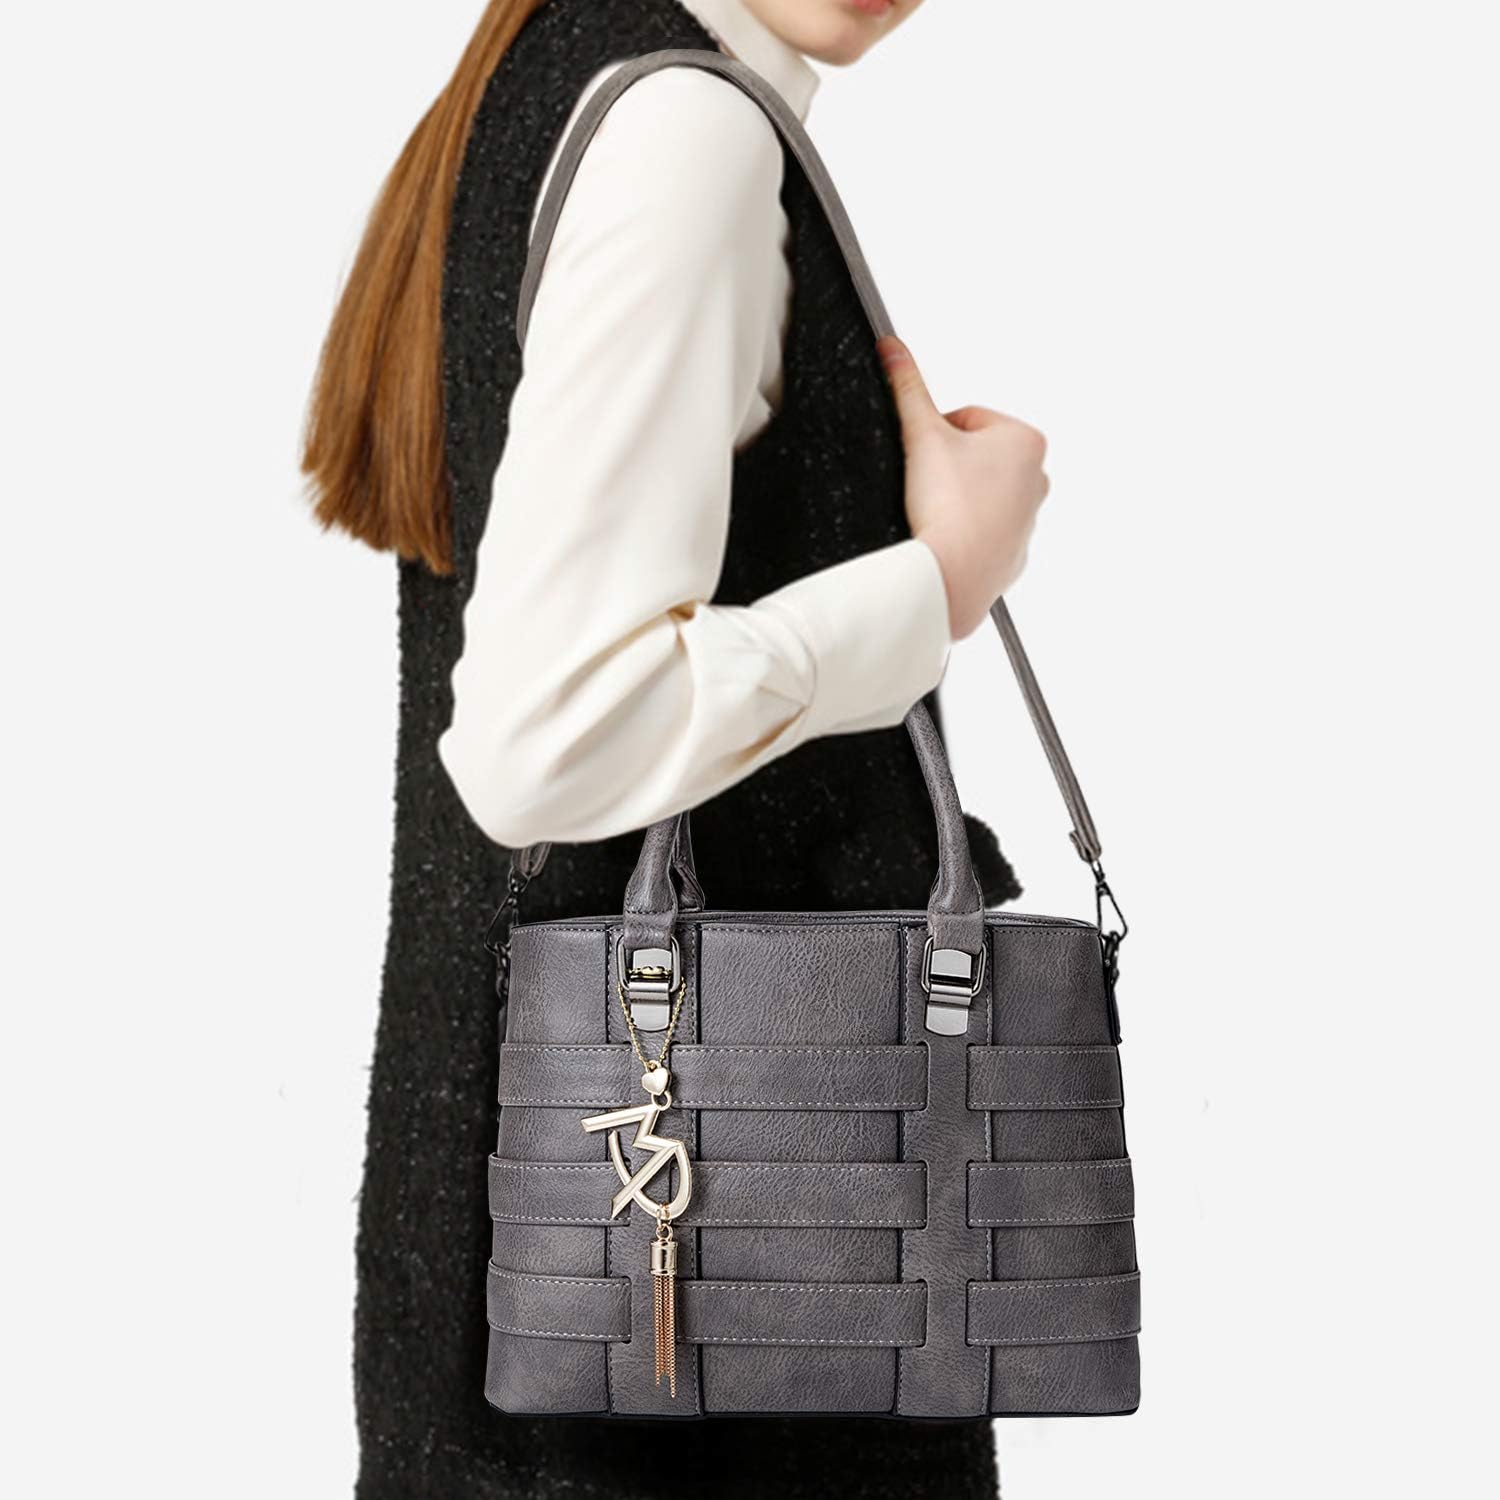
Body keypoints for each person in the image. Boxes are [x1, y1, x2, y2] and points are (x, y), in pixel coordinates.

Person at [301, 2, 1050, 1496]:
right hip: (693, 1297)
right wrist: (935, 585)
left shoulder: (555, 70)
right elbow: (541, 739)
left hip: (557, 1229)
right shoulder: (688, 135)